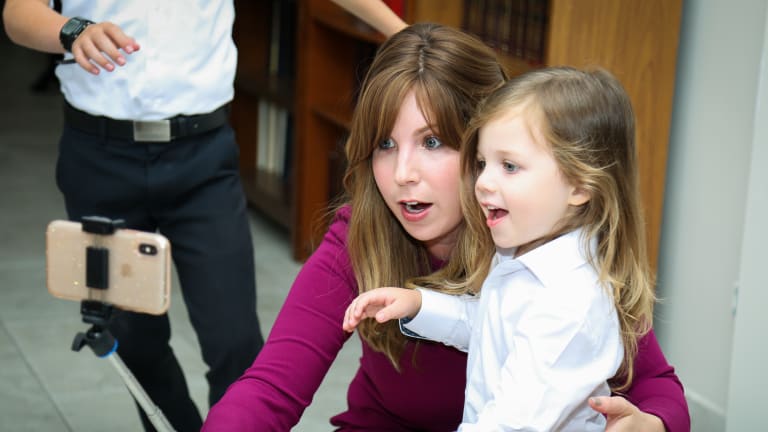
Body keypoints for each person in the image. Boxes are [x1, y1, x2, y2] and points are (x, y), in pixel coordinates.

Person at [203, 23, 689, 432]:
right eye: (385, 145)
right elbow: (271, 387)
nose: (401, 174)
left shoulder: (553, 260)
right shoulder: (361, 234)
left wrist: (651, 423)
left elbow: (660, 388)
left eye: (432, 141)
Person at [343, 66, 656, 430]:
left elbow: (509, 424)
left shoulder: (568, 304)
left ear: (580, 186)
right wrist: (420, 305)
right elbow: (490, 324)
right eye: (481, 164)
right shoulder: (521, 255)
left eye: (509, 166)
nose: (483, 183)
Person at [2, 1, 264, 431]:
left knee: (236, 342)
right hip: (100, 160)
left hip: (204, 157)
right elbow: (17, 14)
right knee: (135, 343)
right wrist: (72, 30)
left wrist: (394, 28)